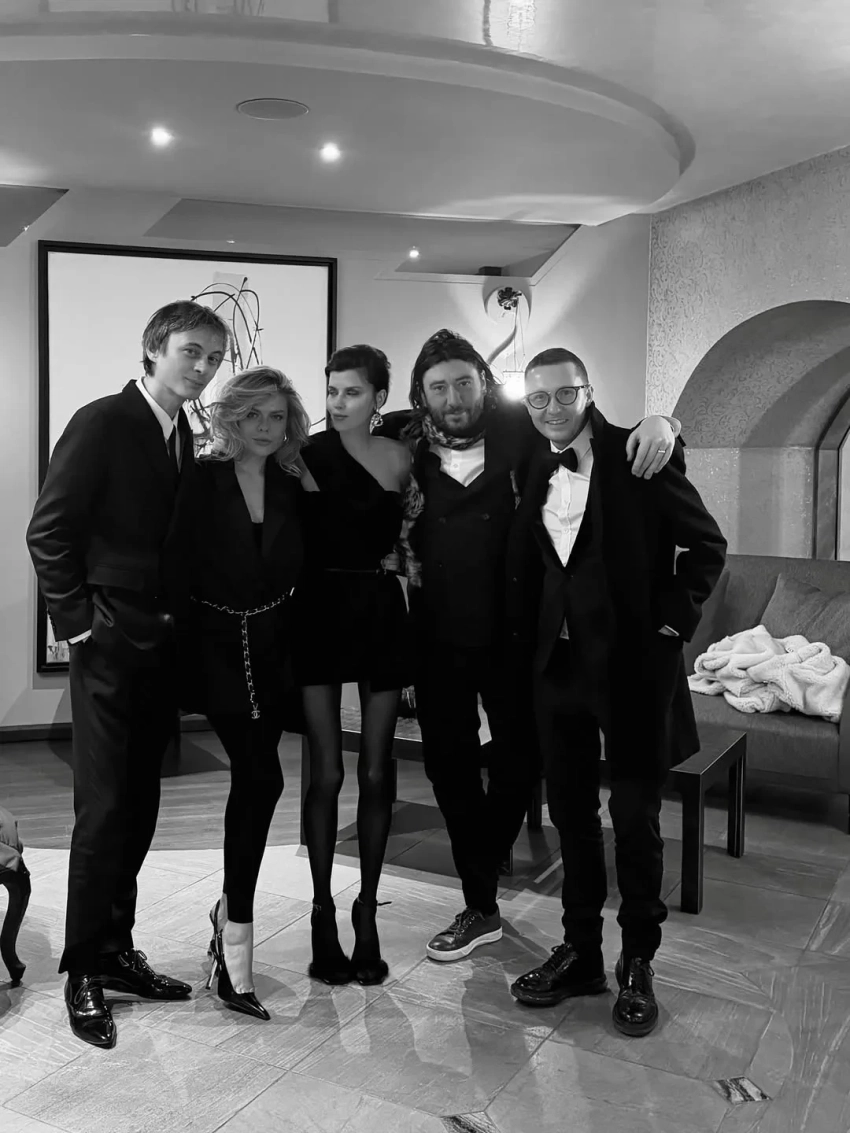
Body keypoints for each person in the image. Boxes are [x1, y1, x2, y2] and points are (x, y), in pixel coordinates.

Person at [381, 329, 684, 964]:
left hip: (518, 639)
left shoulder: (523, 430)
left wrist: (665, 421)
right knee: (447, 771)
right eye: (439, 387)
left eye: (465, 383)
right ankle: (480, 905)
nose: (454, 398)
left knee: (522, 764)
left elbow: (596, 427)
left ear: (486, 384)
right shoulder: (404, 440)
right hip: (436, 639)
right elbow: (342, 435)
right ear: (421, 395)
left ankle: (487, 871)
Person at [26, 300, 229, 1048]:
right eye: (190, 351)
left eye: (213, 356)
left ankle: (116, 950)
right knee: (105, 807)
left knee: (140, 804)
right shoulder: (104, 420)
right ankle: (83, 966)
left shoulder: (183, 434)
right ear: (153, 349)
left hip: (160, 647)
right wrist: (79, 625)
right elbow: (49, 530)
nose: (202, 366)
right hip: (110, 641)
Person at [507, 347, 726, 1037]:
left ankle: (638, 961)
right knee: (571, 815)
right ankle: (580, 953)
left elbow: (707, 546)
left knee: (634, 817)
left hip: (634, 667)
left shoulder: (639, 454)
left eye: (563, 394)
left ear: (588, 390)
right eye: (536, 397)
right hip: (557, 666)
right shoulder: (531, 460)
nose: (551, 408)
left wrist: (672, 624)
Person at [178, 366, 309, 1020]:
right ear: (231, 416)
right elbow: (173, 566)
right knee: (262, 775)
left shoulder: (292, 483)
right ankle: (236, 947)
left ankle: (229, 916)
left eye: (277, 416)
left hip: (276, 652)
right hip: (216, 649)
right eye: (254, 413)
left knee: (261, 781)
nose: (265, 426)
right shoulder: (201, 479)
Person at [294, 344, 415, 987]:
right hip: (316, 611)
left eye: (352, 392)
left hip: (378, 609)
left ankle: (367, 912)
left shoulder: (401, 457)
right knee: (325, 771)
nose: (338, 403)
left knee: (375, 769)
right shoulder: (303, 455)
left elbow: (417, 536)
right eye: (332, 390)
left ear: (378, 398)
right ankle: (322, 913)